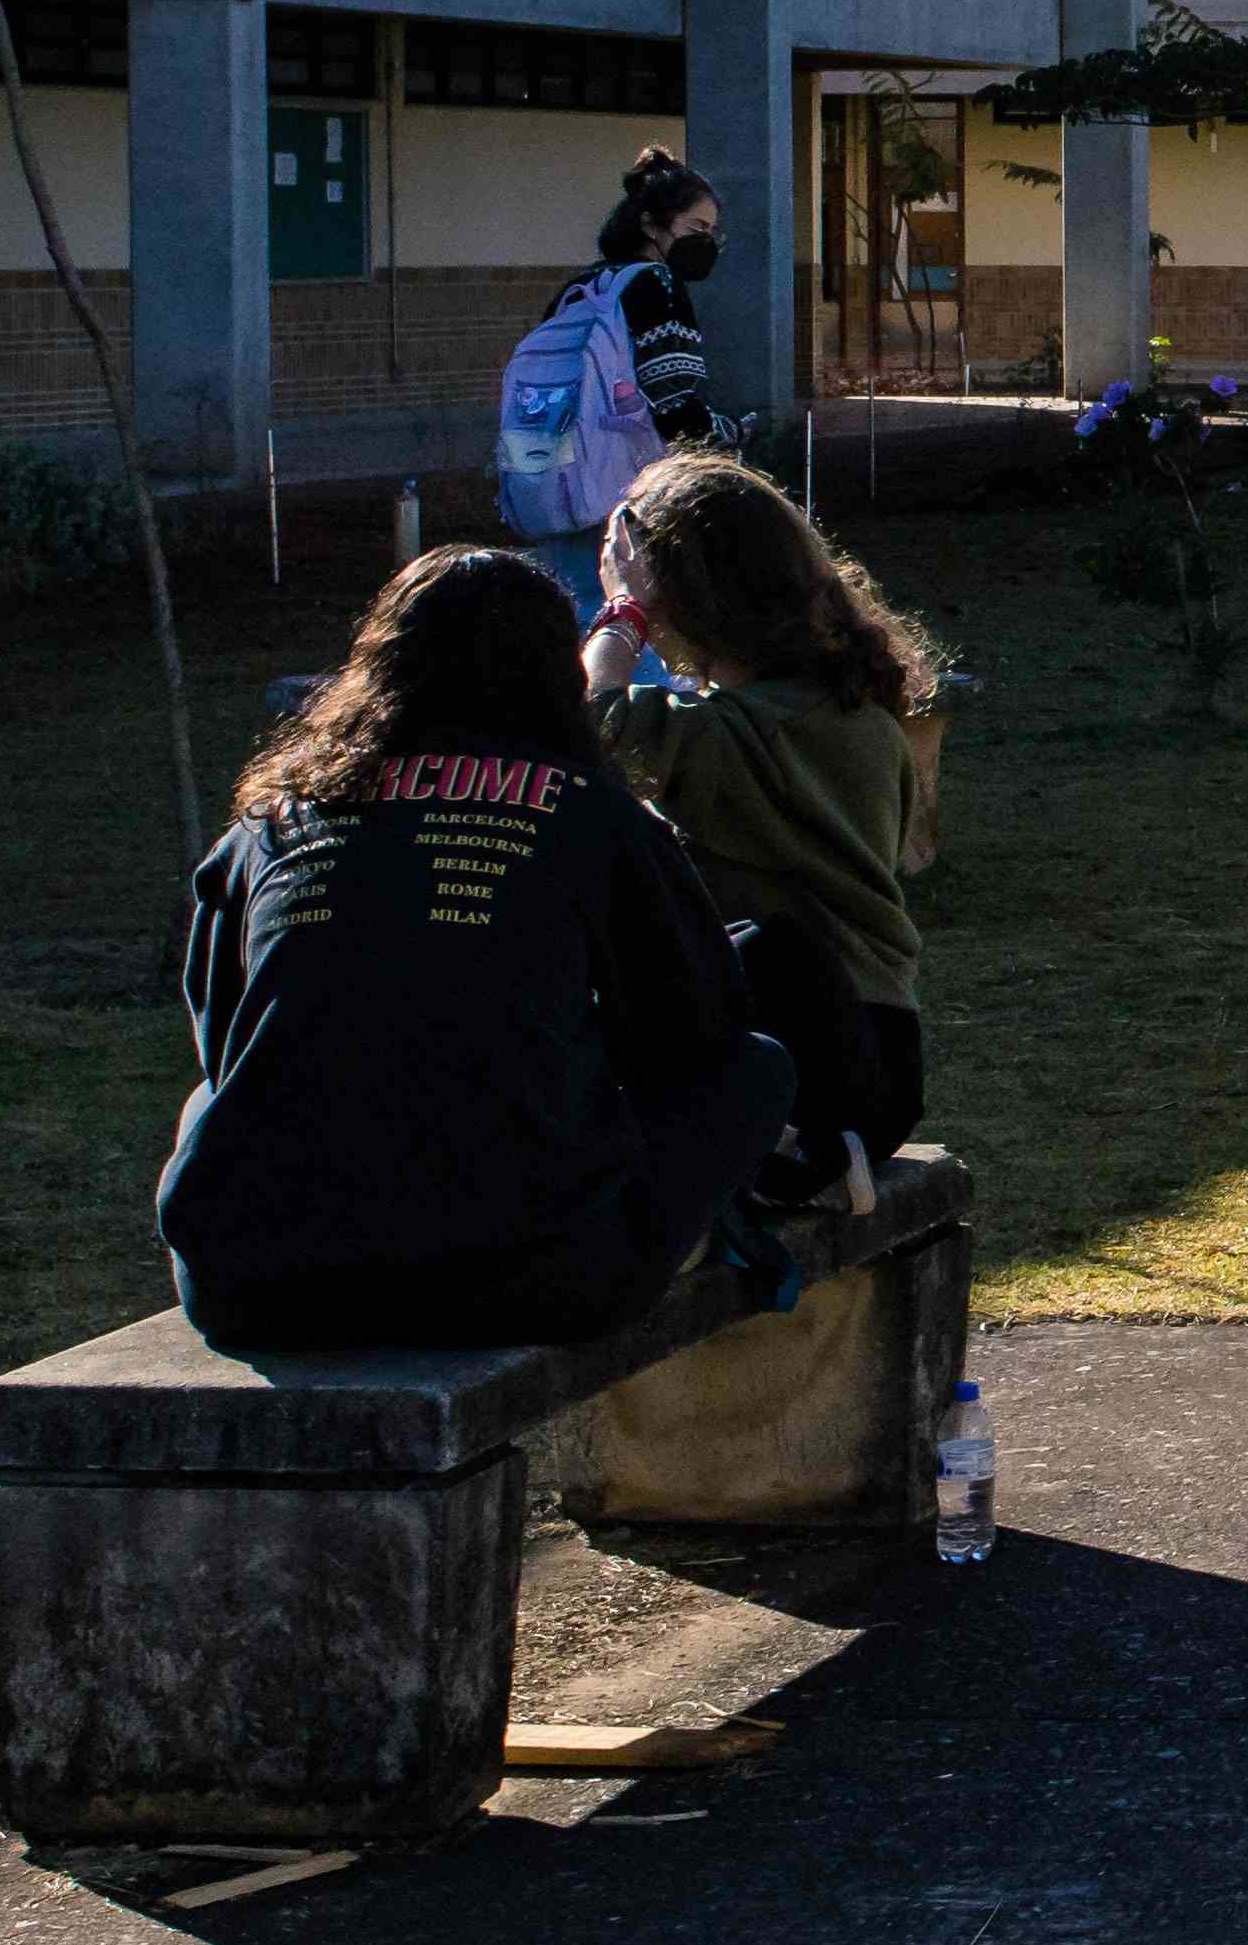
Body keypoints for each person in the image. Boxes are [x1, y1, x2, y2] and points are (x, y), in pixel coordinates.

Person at [161, 546, 794, 1353]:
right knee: (759, 1069)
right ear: (554, 673)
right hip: (526, 1278)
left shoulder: (277, 822)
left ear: (376, 664)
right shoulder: (589, 813)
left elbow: (223, 1045)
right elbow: (700, 1037)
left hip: (254, 1286)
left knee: (211, 1101)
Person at [581, 449, 950, 1170]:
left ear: (683, 597)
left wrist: (622, 613)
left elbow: (594, 721)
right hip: (880, 1054)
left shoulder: (741, 735)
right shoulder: (857, 717)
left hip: (806, 1062)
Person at [499, 148, 726, 634]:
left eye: (712, 232)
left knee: (572, 617)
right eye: (696, 229)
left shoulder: (583, 286)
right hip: (623, 489)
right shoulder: (657, 285)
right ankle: (617, 708)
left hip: (553, 478)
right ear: (652, 225)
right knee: (632, 622)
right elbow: (673, 403)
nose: (708, 242)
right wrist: (726, 439)